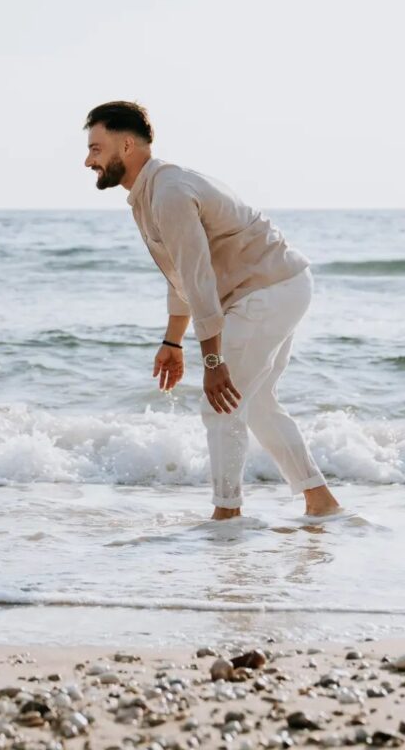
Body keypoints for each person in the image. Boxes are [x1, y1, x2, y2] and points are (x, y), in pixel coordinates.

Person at [83, 101, 340, 520]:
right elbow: (183, 276)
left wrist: (213, 360)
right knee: (255, 404)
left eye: (96, 148)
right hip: (280, 286)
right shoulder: (149, 194)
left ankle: (227, 516)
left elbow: (200, 280)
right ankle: (320, 500)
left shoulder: (168, 193)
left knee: (220, 402)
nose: (88, 160)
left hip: (268, 289)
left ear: (126, 145)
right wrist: (172, 341)